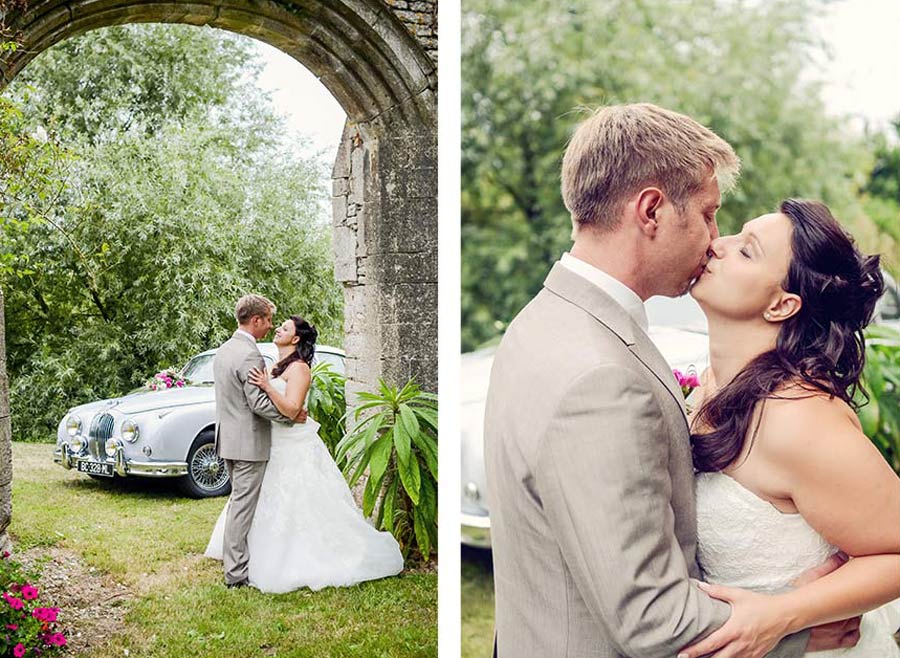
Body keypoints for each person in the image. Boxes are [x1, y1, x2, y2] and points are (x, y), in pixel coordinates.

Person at [483, 103, 860, 658]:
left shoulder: (542, 320)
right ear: (652, 211)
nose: (714, 238)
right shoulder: (602, 378)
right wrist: (796, 630)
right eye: (709, 214)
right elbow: (649, 616)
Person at [677, 199, 900, 658]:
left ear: (782, 304)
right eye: (735, 236)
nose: (718, 244)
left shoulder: (800, 419)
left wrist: (785, 616)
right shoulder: (708, 383)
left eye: (746, 251)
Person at [206, 314, 404, 592]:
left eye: (284, 328)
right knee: (259, 499)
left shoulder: (299, 369)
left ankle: (295, 558)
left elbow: (291, 409)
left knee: (298, 500)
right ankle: (250, 556)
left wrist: (266, 388)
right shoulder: (276, 366)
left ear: (296, 338)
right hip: (272, 442)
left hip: (292, 443)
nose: (277, 329)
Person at [211, 294, 296, 589]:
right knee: (242, 508)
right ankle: (235, 575)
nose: (270, 326)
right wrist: (291, 416)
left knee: (238, 504)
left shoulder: (224, 350)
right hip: (249, 443)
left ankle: (240, 562)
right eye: (269, 320)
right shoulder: (249, 355)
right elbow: (258, 403)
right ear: (256, 320)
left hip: (230, 440)